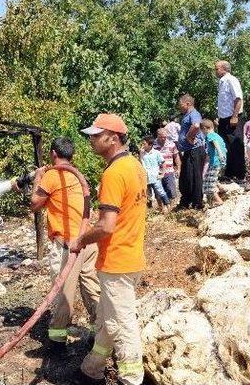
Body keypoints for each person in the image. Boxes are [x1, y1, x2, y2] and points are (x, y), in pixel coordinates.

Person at [70, 113, 147, 385]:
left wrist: (80, 240)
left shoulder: (114, 173)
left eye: (95, 136)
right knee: (107, 318)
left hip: (117, 262)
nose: (91, 141)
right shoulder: (135, 166)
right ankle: (91, 369)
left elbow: (106, 226)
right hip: (131, 257)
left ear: (112, 138)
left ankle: (132, 378)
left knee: (123, 324)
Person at [30, 137, 100, 348]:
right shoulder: (77, 177)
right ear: (73, 156)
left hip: (69, 244)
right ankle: (100, 331)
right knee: (91, 287)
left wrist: (37, 178)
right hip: (89, 239)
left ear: (53, 154)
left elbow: (34, 204)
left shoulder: (51, 176)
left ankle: (56, 340)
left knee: (63, 293)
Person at [215, 60, 246, 182]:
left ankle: (239, 175)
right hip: (224, 119)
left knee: (236, 145)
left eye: (216, 69)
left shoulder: (231, 79)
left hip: (232, 118)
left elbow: (238, 98)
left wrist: (235, 116)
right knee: (225, 146)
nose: (215, 71)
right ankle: (229, 173)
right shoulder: (222, 82)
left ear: (224, 69)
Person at [175, 93, 205, 211]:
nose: (179, 107)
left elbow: (196, 125)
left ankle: (197, 203)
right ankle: (186, 201)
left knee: (195, 176)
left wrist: (189, 136)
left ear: (187, 104)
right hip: (189, 150)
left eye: (180, 105)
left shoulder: (194, 114)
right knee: (186, 177)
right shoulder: (187, 115)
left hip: (195, 150)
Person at [140, 135, 170, 213]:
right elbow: (140, 163)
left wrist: (162, 173)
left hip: (155, 177)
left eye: (144, 144)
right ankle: (152, 209)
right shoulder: (142, 154)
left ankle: (167, 205)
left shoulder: (156, 153)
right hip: (146, 177)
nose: (142, 146)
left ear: (150, 145)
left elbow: (163, 163)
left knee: (160, 192)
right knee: (148, 194)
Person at [200, 119, 227, 207]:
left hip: (216, 162)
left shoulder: (210, 135)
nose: (202, 134)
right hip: (217, 162)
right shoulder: (217, 135)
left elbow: (216, 144)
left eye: (202, 131)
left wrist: (219, 154)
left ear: (204, 129)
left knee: (208, 185)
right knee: (209, 177)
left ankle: (219, 201)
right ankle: (221, 189)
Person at [154, 128, 181, 203]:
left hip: (169, 171)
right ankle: (162, 210)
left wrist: (178, 169)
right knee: (159, 194)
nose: (163, 139)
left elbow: (176, 157)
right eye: (161, 137)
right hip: (157, 172)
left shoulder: (171, 144)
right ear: (157, 136)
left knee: (171, 192)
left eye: (165, 137)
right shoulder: (153, 145)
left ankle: (171, 209)